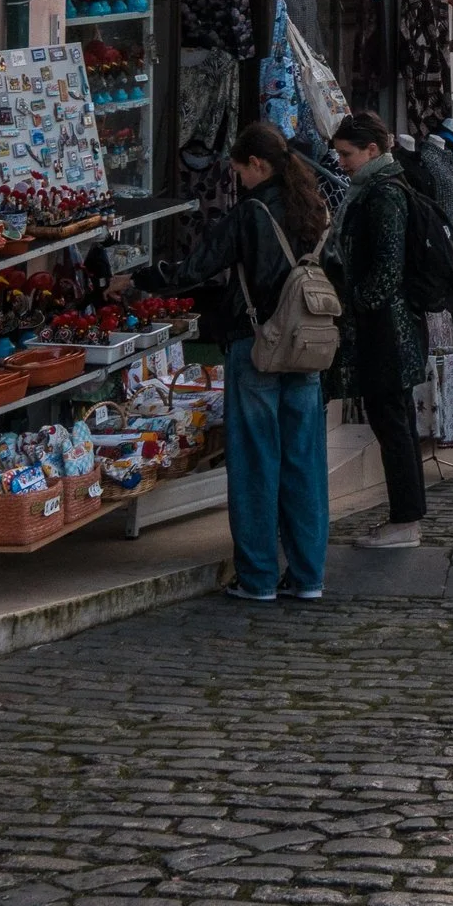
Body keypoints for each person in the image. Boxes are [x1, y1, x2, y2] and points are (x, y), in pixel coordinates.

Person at [133, 121, 329, 603]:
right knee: (304, 463)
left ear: (257, 165)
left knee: (255, 464)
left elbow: (195, 268)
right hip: (308, 347)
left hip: (256, 344)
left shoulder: (251, 212)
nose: (238, 179)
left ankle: (258, 577)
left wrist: (138, 280)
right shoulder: (314, 208)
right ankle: (308, 576)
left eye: (240, 170)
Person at [325, 110, 428, 548]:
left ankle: (405, 522)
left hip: (387, 331)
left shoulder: (383, 193)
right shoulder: (376, 188)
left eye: (347, 154)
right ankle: (407, 517)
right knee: (396, 423)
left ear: (372, 150)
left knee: (393, 424)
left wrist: (354, 305)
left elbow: (388, 268)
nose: (341, 162)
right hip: (387, 328)